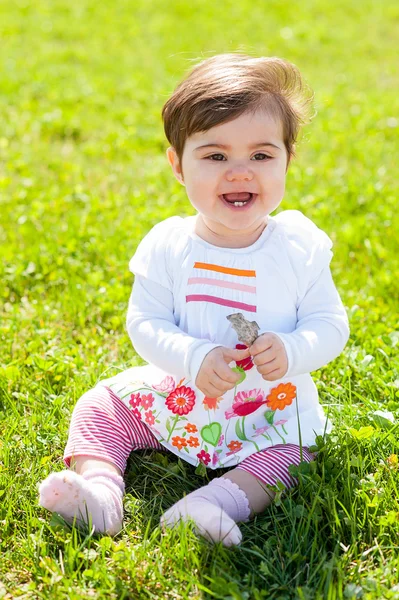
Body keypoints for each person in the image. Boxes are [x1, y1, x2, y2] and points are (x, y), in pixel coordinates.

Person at [38, 53, 350, 546]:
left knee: (298, 450)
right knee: (100, 406)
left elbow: (329, 323)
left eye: (261, 156)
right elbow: (146, 322)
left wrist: (293, 350)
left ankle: (212, 505)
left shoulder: (298, 247)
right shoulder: (169, 246)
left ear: (289, 159)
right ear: (178, 165)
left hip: (266, 405)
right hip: (179, 395)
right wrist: (193, 355)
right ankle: (100, 496)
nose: (240, 173)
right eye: (216, 156)